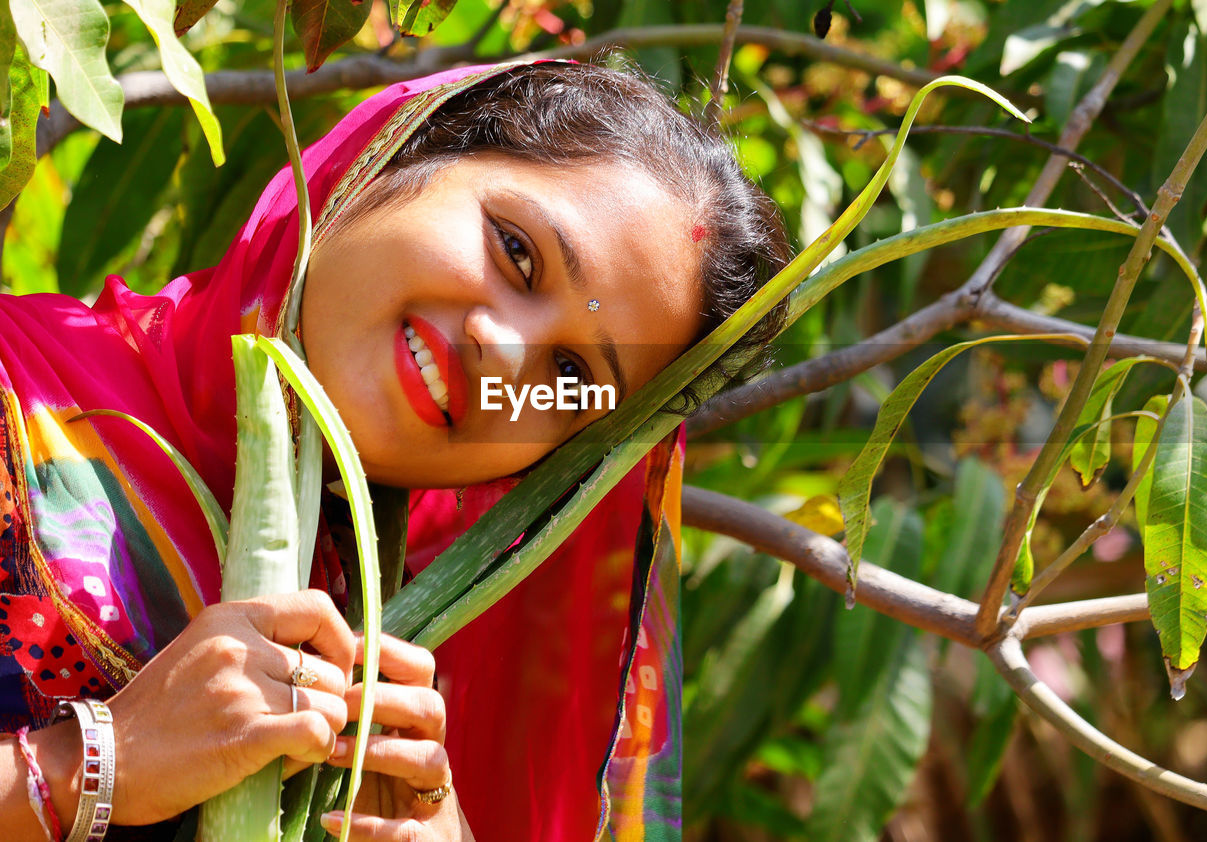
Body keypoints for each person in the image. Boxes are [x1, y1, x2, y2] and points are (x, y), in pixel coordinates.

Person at [0, 60, 789, 841]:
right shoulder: (14, 388)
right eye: (518, 253)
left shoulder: (408, 692)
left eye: (572, 373)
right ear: (401, 153)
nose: (505, 352)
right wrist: (89, 765)